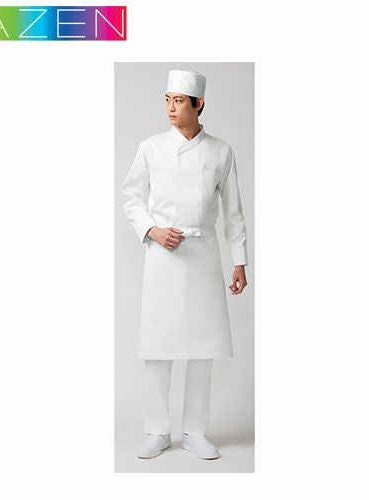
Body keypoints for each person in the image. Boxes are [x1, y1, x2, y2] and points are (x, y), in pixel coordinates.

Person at [120, 69, 248, 460]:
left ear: (199, 104)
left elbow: (234, 213)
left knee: (202, 348)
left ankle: (195, 431)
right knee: (158, 347)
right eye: (167, 100)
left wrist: (239, 261)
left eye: (179, 101)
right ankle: (156, 430)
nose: (171, 108)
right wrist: (152, 230)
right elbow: (130, 196)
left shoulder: (221, 151)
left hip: (204, 256)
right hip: (163, 258)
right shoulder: (151, 148)